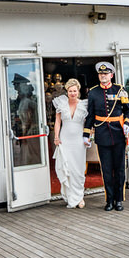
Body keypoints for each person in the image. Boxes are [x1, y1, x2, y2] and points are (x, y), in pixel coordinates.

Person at [82, 61, 129, 211]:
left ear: (111, 75)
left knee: (120, 169)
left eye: (106, 74)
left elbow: (128, 111)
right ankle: (109, 200)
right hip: (102, 134)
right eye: (101, 74)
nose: (103, 76)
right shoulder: (93, 92)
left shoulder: (120, 90)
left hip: (118, 134)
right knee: (107, 170)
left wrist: (127, 123)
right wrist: (86, 134)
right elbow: (90, 115)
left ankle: (119, 200)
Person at [52, 78, 88, 208]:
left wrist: (89, 135)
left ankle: (79, 197)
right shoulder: (61, 103)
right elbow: (58, 122)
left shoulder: (84, 105)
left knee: (78, 169)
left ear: (78, 91)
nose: (72, 93)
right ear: (67, 91)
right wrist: (56, 137)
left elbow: (88, 123)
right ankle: (69, 196)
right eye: (70, 91)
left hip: (79, 141)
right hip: (65, 139)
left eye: (75, 91)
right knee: (67, 167)